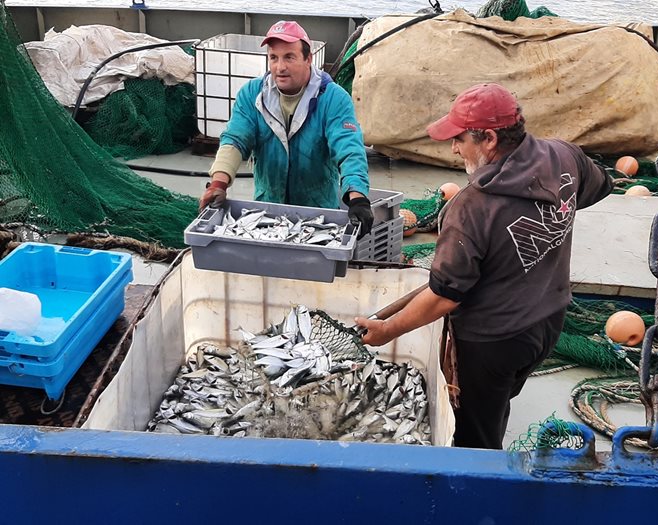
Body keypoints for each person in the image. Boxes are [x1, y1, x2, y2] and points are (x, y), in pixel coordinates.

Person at [354, 83, 613, 449]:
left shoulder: (470, 209)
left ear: (489, 139)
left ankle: (483, 497)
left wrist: (388, 330)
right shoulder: (563, 157)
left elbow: (445, 296)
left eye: (460, 138)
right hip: (548, 323)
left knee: (475, 438)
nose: (454, 148)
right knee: (499, 397)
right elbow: (599, 186)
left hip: (493, 343)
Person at [199, 20, 374, 237]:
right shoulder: (251, 94)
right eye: (274, 58)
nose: (280, 67)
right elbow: (235, 140)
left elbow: (349, 150)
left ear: (308, 59)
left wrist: (357, 198)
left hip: (319, 215)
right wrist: (218, 183)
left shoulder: (334, 98)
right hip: (265, 213)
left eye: (289, 57)